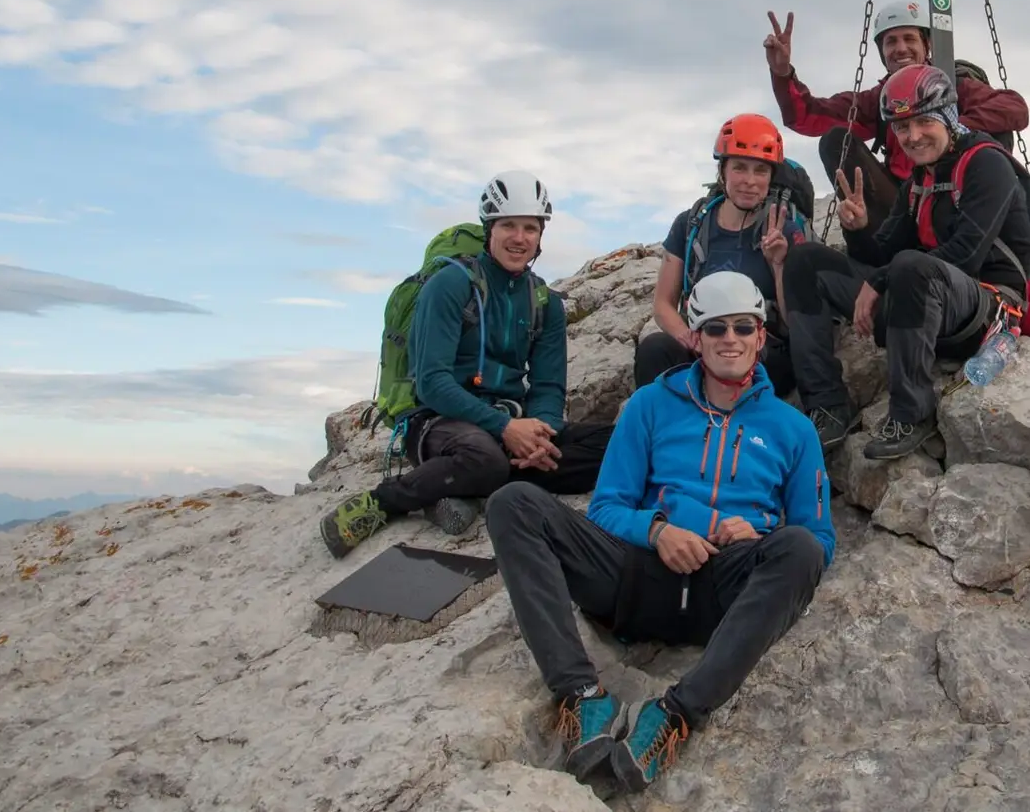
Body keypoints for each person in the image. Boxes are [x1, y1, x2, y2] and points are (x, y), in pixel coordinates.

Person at [484, 272, 832, 793]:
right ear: (694, 338)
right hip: (636, 574)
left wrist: (754, 542)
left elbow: (818, 538)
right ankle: (581, 695)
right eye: (716, 329)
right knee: (514, 503)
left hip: (723, 593)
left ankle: (676, 714)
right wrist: (662, 529)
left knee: (798, 549)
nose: (730, 339)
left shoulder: (793, 428)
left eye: (743, 327)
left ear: (761, 336)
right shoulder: (649, 404)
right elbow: (606, 507)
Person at [320, 170, 613, 558]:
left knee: (617, 443)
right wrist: (505, 428)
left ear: (541, 235)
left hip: (510, 422)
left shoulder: (545, 301)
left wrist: (540, 434)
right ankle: (383, 502)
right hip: (438, 420)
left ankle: (465, 488)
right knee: (484, 459)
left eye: (530, 228)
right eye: (509, 225)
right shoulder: (451, 285)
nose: (520, 238)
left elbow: (548, 386)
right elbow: (432, 382)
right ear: (489, 228)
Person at [782, 64, 1030, 459]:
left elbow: (966, 254)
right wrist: (860, 229)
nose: (912, 137)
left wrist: (881, 278)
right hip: (922, 302)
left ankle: (911, 413)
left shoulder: (987, 164)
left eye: (922, 122)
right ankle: (828, 406)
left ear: (948, 116)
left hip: (984, 308)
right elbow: (881, 254)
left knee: (909, 266)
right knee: (804, 262)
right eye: (901, 128)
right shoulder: (921, 179)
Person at [763, 1, 1029, 233]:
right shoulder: (880, 99)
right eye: (891, 41)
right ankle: (874, 240)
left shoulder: (954, 86)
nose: (900, 48)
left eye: (909, 39)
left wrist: (950, 128)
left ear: (927, 45)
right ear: (882, 52)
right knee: (834, 140)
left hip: (953, 200)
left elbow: (1014, 108)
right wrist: (782, 73)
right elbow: (809, 115)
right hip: (901, 203)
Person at [632, 114, 805, 393]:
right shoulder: (690, 225)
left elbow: (794, 321)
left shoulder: (784, 229)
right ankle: (665, 428)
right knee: (655, 349)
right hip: (701, 343)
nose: (749, 180)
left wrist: (779, 265)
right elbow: (663, 305)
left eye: (760, 170)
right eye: (739, 168)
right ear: (722, 171)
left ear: (771, 177)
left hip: (758, 352)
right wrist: (687, 337)